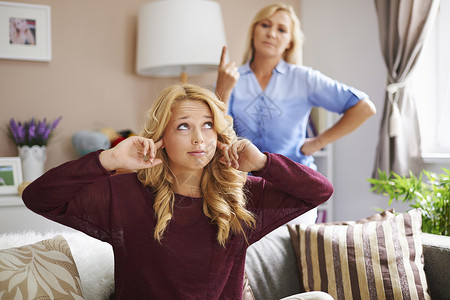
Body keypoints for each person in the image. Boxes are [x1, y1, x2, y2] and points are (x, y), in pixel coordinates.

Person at [22, 83, 334, 299]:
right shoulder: (124, 195)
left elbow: (320, 191)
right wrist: (109, 159)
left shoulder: (240, 197)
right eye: (184, 126)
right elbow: (38, 197)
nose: (199, 139)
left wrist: (264, 162)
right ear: (162, 137)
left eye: (208, 125)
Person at [216, 3, 376, 224]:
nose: (271, 33)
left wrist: (319, 142)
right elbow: (217, 133)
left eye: (281, 29)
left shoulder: (304, 79)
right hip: (242, 190)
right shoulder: (232, 78)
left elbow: (364, 107)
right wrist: (222, 90)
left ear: (290, 41)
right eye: (265, 25)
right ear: (254, 30)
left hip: (295, 188)